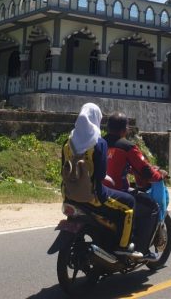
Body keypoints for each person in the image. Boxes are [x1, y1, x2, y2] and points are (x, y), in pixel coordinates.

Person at [61, 103, 142, 258]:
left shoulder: (67, 143)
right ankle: (123, 246)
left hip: (68, 195)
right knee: (129, 203)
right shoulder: (99, 144)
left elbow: (63, 170)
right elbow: (101, 174)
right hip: (95, 197)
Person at [104, 112, 167, 257]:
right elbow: (146, 171)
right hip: (118, 193)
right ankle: (143, 249)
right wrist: (160, 175)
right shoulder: (128, 147)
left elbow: (118, 165)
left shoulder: (99, 143)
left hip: (98, 191)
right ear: (124, 129)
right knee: (152, 208)